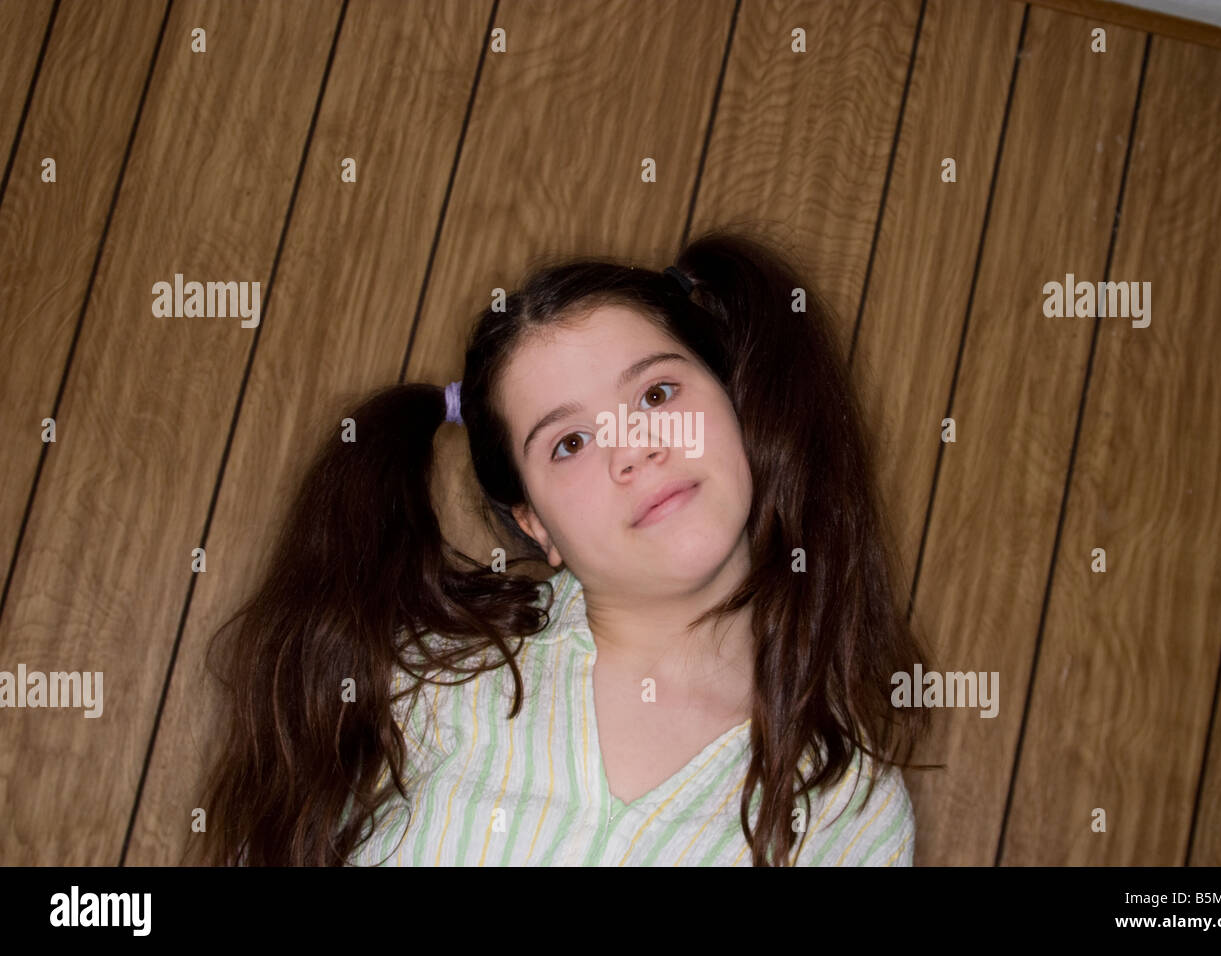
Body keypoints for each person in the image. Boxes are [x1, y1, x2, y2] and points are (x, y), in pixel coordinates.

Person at [191, 229, 934, 866]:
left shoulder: (851, 813)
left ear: (736, 400)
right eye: (571, 442)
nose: (633, 451)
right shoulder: (422, 681)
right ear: (534, 522)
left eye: (655, 395)